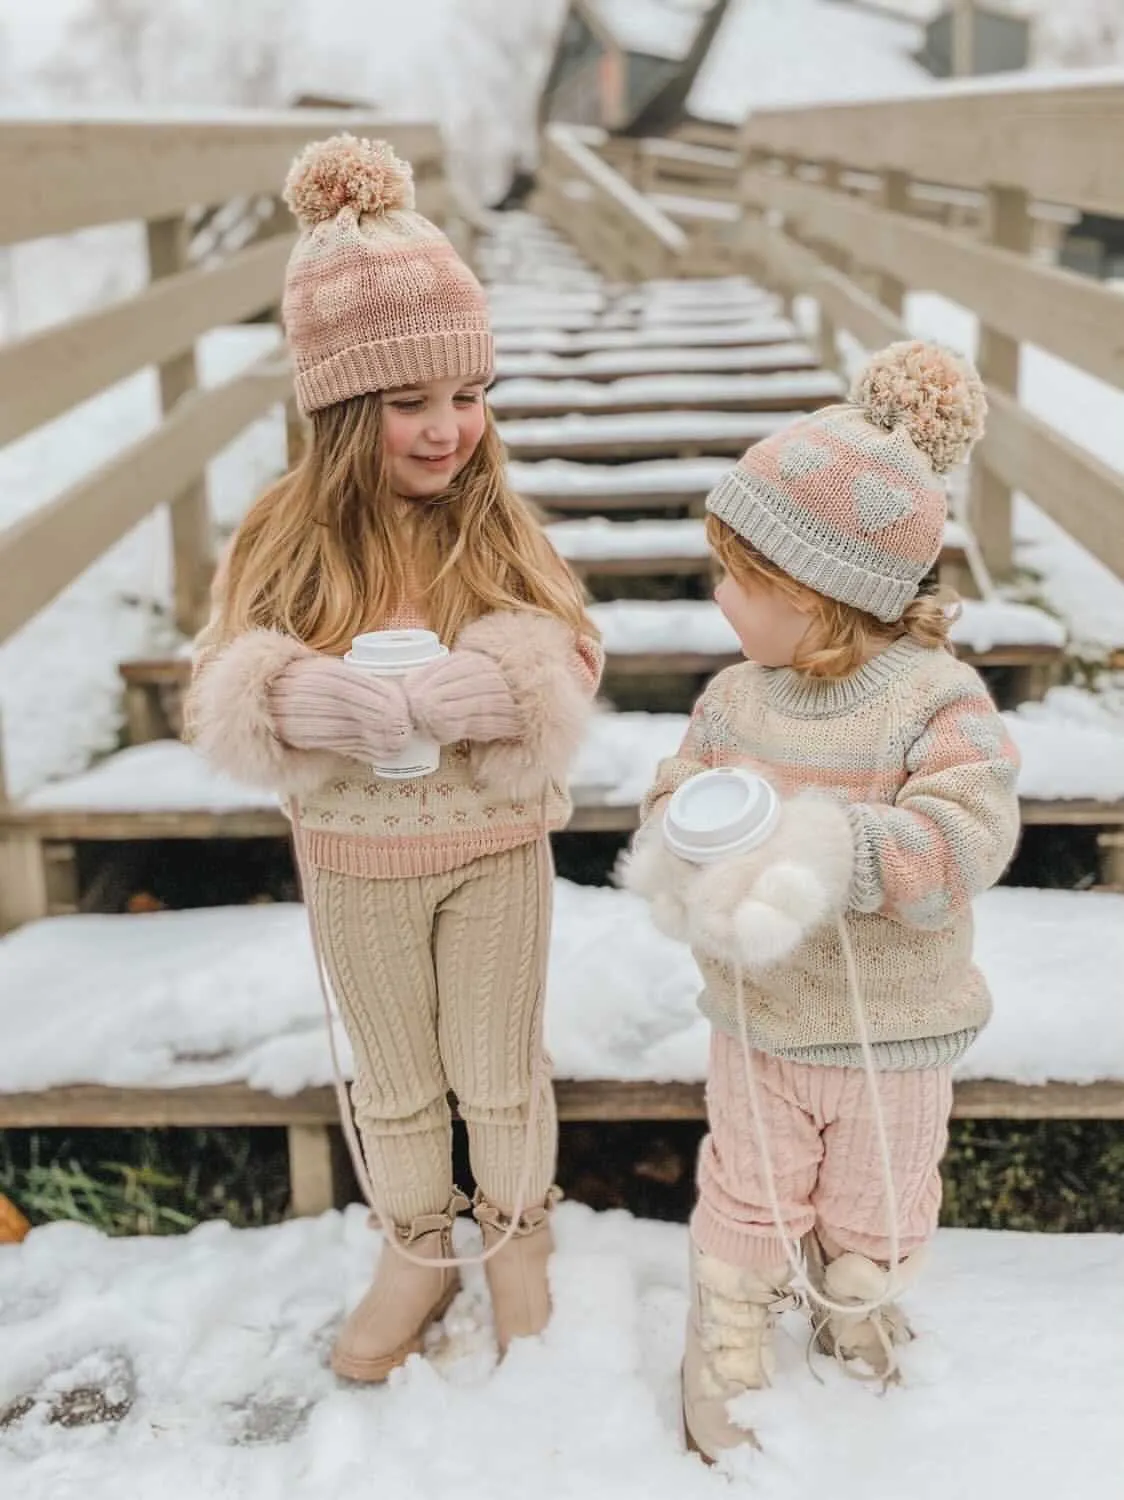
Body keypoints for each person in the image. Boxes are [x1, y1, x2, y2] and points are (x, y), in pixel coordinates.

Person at [186, 134, 602, 1382]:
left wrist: (516, 678)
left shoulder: (498, 517)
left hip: (491, 847)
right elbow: (217, 674)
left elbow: (576, 652)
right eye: (409, 405)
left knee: (497, 1064)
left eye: (466, 397)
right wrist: (286, 695)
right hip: (359, 856)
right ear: (340, 410)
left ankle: (515, 1236)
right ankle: (416, 1242)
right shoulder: (281, 534)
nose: (446, 431)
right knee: (401, 1078)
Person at [624, 341, 1020, 1462]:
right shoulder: (730, 696)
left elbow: (964, 836)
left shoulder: (935, 702)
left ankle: (858, 1292)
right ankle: (735, 1319)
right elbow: (675, 787)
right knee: (748, 1190)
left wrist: (832, 848)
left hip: (894, 1025)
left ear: (819, 593)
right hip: (759, 1016)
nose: (716, 596)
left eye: (736, 578)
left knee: (881, 1193)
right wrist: (685, 824)